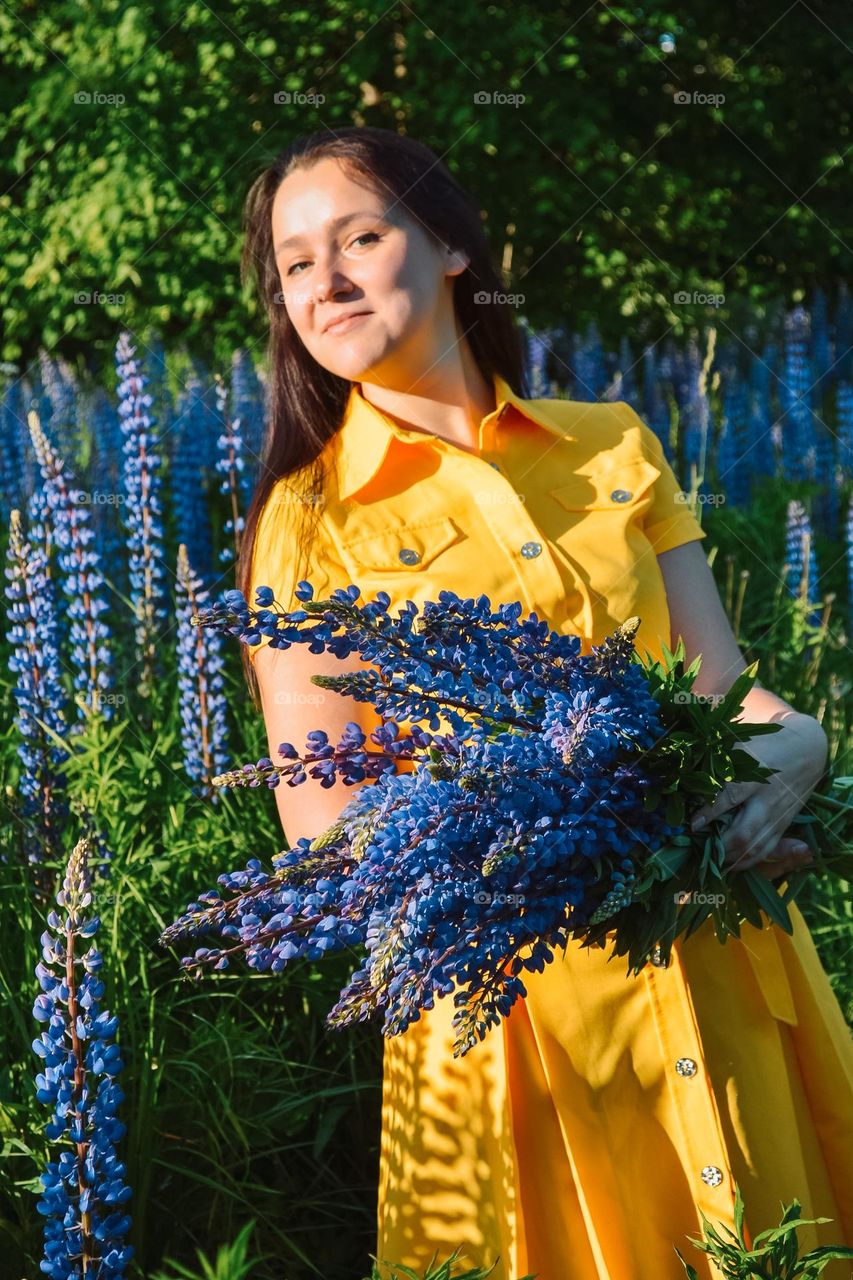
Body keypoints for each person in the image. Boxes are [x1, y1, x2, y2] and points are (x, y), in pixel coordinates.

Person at [236, 125, 853, 1280]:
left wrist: (801, 745)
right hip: (522, 1032)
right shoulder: (308, 519)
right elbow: (325, 825)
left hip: (719, 965)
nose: (326, 281)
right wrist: (557, 824)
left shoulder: (610, 444)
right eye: (295, 264)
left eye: (359, 238)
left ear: (451, 246)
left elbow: (722, 694)